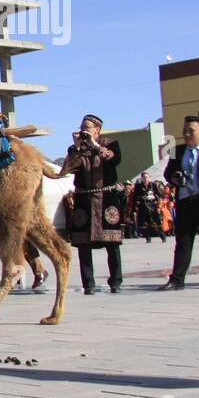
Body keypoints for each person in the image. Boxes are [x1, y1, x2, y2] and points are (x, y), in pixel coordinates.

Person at [64, 114, 124, 294]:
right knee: (83, 245)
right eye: (81, 127)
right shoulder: (76, 149)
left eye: (87, 128)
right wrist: (76, 146)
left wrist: (96, 145)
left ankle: (116, 281)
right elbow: (69, 167)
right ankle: (88, 284)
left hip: (106, 198)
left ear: (96, 130)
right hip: (84, 199)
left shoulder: (111, 143)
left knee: (112, 244)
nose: (83, 131)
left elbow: (114, 159)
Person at [160, 115, 199, 290]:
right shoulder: (177, 151)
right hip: (185, 201)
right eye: (184, 130)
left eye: (191, 130)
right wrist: (174, 177)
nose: (186, 133)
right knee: (183, 242)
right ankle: (177, 279)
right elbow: (167, 174)